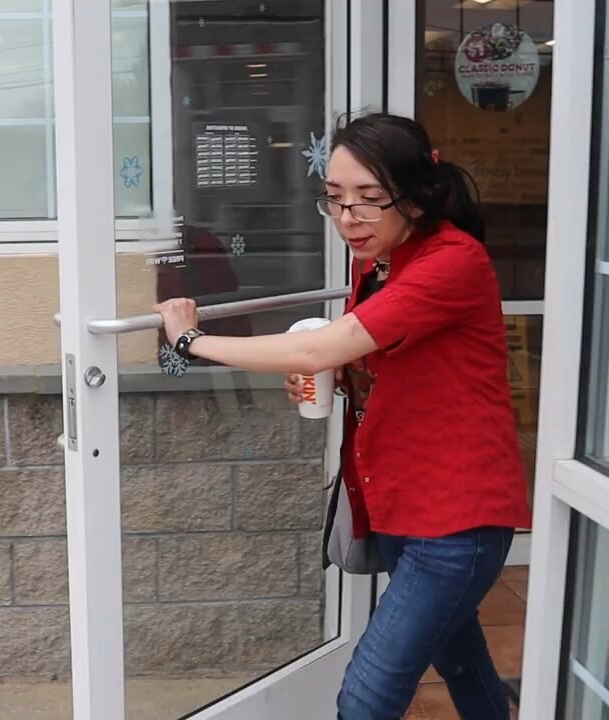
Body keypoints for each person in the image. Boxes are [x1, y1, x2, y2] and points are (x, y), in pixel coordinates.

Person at [154, 112, 531, 720]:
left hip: (457, 518)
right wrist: (335, 373)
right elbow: (365, 357)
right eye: (333, 199)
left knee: (366, 695)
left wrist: (190, 340)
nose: (348, 218)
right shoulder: (378, 261)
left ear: (419, 195)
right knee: (462, 662)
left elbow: (318, 345)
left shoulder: (452, 263)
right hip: (403, 501)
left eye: (369, 199)